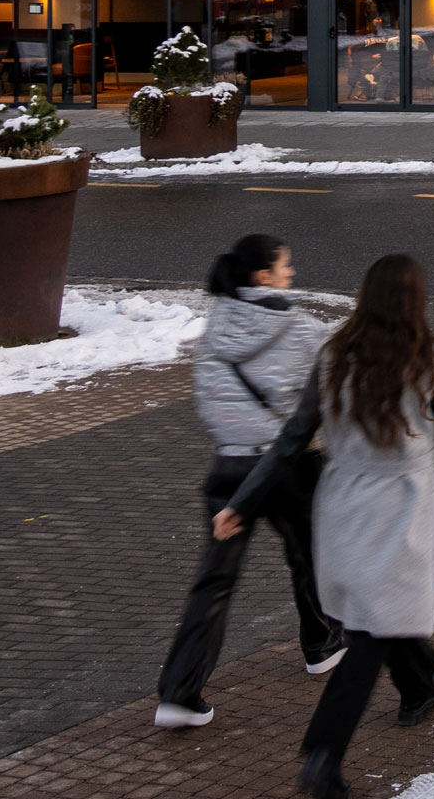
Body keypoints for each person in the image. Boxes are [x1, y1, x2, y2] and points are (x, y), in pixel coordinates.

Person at [221, 254, 434, 799]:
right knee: (374, 631)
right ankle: (323, 755)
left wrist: (241, 502)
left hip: (342, 504)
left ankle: (423, 684)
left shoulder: (332, 358)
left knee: (378, 616)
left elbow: (291, 439)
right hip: (402, 511)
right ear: (416, 302)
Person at [155, 235, 340, 730]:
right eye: (285, 266)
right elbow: (335, 381)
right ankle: (322, 643)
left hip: (231, 467)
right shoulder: (300, 328)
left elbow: (208, 398)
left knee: (214, 581)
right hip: (291, 464)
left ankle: (179, 692)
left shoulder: (216, 324)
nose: (291, 272)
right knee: (312, 554)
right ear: (263, 276)